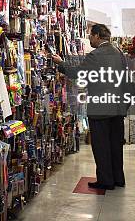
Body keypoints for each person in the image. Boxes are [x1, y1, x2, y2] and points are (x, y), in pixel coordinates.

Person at [52, 24, 127, 190]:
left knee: (101, 146)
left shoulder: (95, 55)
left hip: (100, 109)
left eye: (90, 36)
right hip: (117, 107)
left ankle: (106, 181)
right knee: (115, 145)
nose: (89, 39)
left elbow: (79, 73)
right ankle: (117, 178)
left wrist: (61, 63)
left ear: (98, 36)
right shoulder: (119, 53)